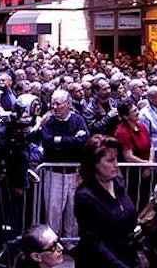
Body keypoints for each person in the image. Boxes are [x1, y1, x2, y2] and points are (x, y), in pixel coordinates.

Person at [74, 134, 141, 268]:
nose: (116, 165)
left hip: (126, 258)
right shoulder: (85, 196)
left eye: (116, 159)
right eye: (110, 161)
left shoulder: (119, 183)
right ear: (95, 164)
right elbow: (94, 243)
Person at [41, 89, 89, 242]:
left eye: (58, 104)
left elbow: (83, 141)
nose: (55, 107)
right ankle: (52, 241)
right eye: (52, 104)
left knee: (73, 209)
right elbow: (47, 142)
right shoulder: (49, 121)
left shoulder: (78, 120)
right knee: (53, 209)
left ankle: (71, 241)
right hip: (54, 172)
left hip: (74, 172)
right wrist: (71, 140)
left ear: (68, 104)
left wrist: (60, 141)